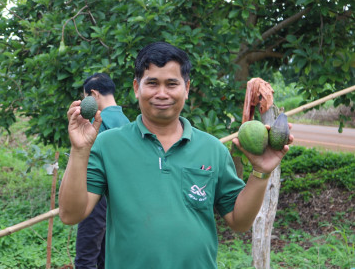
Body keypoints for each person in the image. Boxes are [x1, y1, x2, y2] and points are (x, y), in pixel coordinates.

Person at [59, 42, 293, 268]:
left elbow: (239, 221)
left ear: (187, 88)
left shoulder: (213, 149)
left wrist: (261, 172)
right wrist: (79, 150)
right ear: (136, 88)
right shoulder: (107, 145)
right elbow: (71, 214)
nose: (162, 93)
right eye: (152, 83)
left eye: (172, 84)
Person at [75, 73, 130, 269]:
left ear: (93, 94)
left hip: (96, 197)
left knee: (86, 255)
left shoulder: (97, 122)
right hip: (119, 199)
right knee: (106, 255)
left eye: (84, 98)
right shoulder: (126, 121)